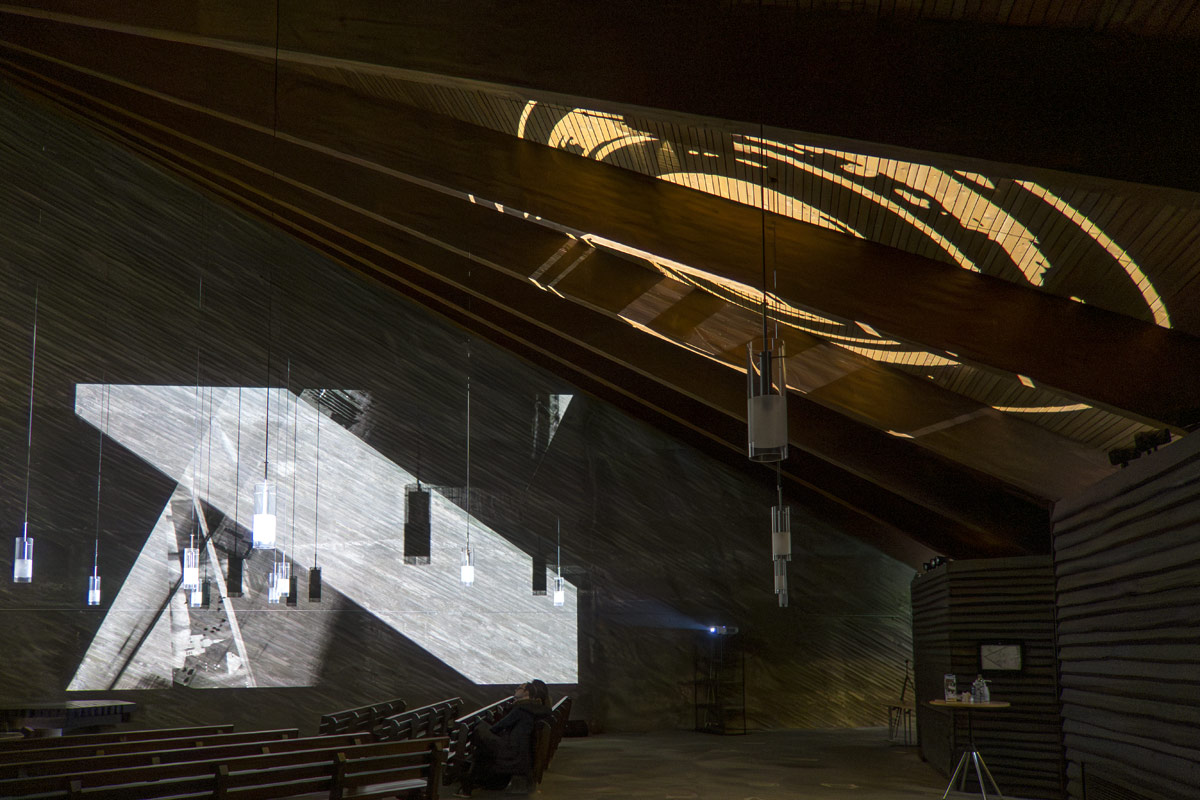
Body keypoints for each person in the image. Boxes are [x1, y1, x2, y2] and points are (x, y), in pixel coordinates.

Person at [455, 680, 553, 797]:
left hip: (511, 753)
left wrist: (481, 725)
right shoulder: (532, 708)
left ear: (527, 693)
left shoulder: (522, 708)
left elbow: (498, 727)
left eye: (519, 688)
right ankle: (470, 778)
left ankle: (464, 773)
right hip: (518, 752)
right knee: (482, 745)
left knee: (480, 730)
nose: (516, 689)